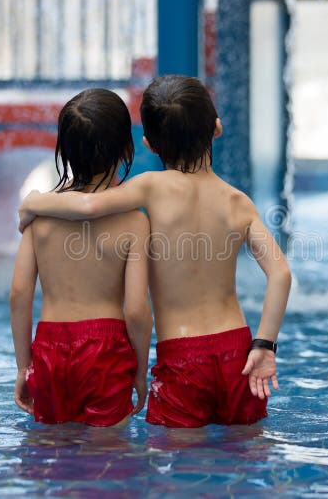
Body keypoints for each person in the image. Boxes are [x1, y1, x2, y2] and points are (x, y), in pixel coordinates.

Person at [18, 75, 292, 428]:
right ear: (217, 128)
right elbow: (281, 274)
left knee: (178, 470)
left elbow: (87, 206)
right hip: (237, 351)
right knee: (245, 455)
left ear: (148, 143)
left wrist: (34, 204)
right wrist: (264, 346)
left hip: (181, 355)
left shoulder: (150, 188)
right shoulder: (239, 203)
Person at [10, 88, 152, 427]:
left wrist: (23, 366)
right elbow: (135, 309)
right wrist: (141, 371)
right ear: (125, 149)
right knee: (109, 458)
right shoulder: (133, 221)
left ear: (64, 150)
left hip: (48, 348)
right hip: (105, 350)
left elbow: (18, 294)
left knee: (49, 450)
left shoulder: (38, 217)